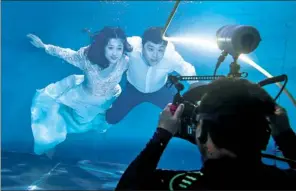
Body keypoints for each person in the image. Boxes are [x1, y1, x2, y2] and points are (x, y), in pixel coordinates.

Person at [115, 78, 296, 190]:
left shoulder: (175, 185)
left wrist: (162, 134)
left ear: (204, 137)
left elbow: (128, 186)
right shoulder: (285, 182)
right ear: (265, 134)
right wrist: (285, 134)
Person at [27, 26, 133, 156]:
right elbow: (66, 53)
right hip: (84, 97)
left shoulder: (125, 60)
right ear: (102, 46)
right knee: (79, 121)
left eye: (119, 48)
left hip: (110, 96)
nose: (115, 53)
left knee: (102, 122)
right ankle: (52, 139)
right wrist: (44, 46)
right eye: (110, 48)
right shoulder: (87, 59)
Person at [106, 27, 196, 124]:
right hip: (133, 89)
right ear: (142, 45)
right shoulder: (132, 47)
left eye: (160, 50)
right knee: (111, 119)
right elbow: (113, 41)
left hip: (160, 90)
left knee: (184, 117)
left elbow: (186, 68)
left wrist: (196, 85)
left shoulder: (170, 56)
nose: (155, 55)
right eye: (151, 49)